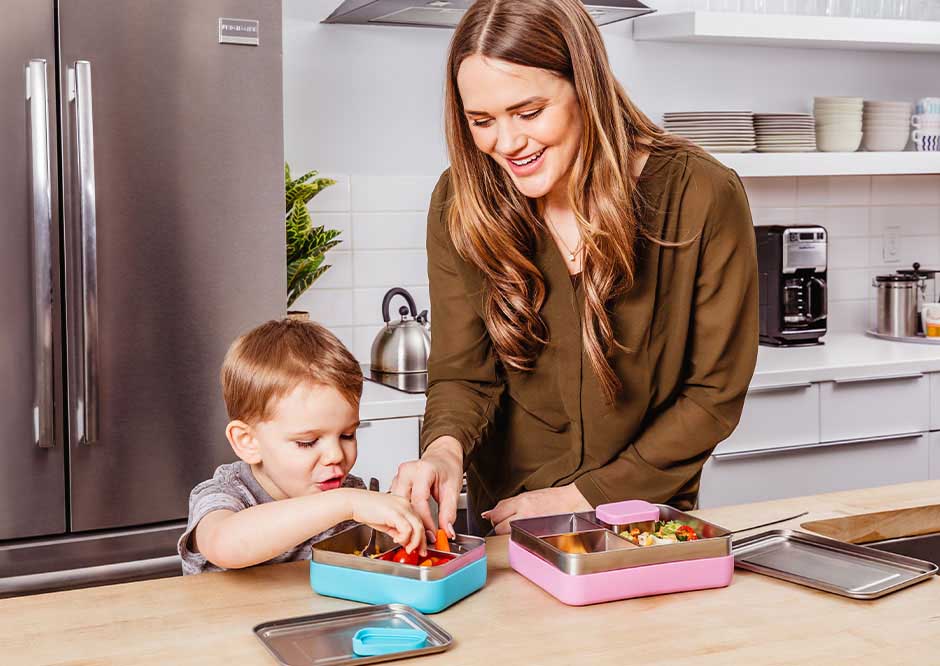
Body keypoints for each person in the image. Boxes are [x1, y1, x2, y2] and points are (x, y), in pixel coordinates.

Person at [392, 0, 758, 537]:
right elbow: (464, 376)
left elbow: (712, 396)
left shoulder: (700, 194)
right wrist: (443, 451)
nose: (507, 143)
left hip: (642, 519)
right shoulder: (462, 201)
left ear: (586, 86)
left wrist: (583, 497)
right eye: (482, 121)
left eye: (528, 112)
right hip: (507, 523)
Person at [178, 318, 426, 574]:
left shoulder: (349, 491)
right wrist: (346, 504)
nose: (335, 455)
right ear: (248, 442)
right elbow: (224, 545)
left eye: (347, 435)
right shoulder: (225, 494)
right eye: (307, 442)